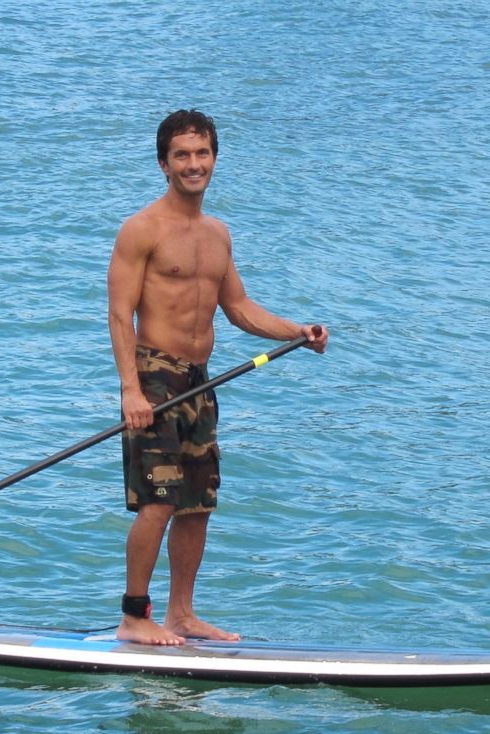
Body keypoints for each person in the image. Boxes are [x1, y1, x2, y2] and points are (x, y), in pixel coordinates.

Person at [107, 109, 328, 646]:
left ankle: (181, 613)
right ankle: (135, 615)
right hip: (154, 377)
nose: (193, 164)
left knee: (197, 504)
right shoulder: (141, 230)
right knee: (159, 499)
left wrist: (295, 331)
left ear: (214, 159)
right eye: (182, 155)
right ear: (163, 163)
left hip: (201, 382)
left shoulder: (218, 233)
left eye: (202, 153)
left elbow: (239, 308)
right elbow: (119, 314)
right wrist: (131, 390)